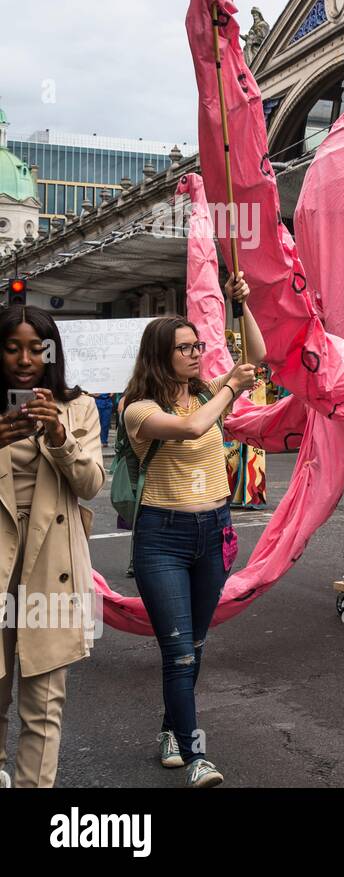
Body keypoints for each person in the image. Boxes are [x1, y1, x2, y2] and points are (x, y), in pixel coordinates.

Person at [121, 272, 263, 787]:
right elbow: (191, 428)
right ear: (160, 355)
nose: (196, 353)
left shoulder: (206, 392)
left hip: (215, 531)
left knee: (195, 646)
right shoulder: (138, 409)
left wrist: (240, 304)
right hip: (163, 538)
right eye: (184, 348)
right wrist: (230, 386)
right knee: (178, 650)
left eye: (198, 345)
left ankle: (170, 731)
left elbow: (258, 354)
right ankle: (197, 755)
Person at [0, 306, 105, 788]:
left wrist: (60, 437)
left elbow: (90, 486)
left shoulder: (78, 406)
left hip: (50, 565)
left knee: (43, 707)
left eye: (36, 347)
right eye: (12, 346)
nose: (25, 358)